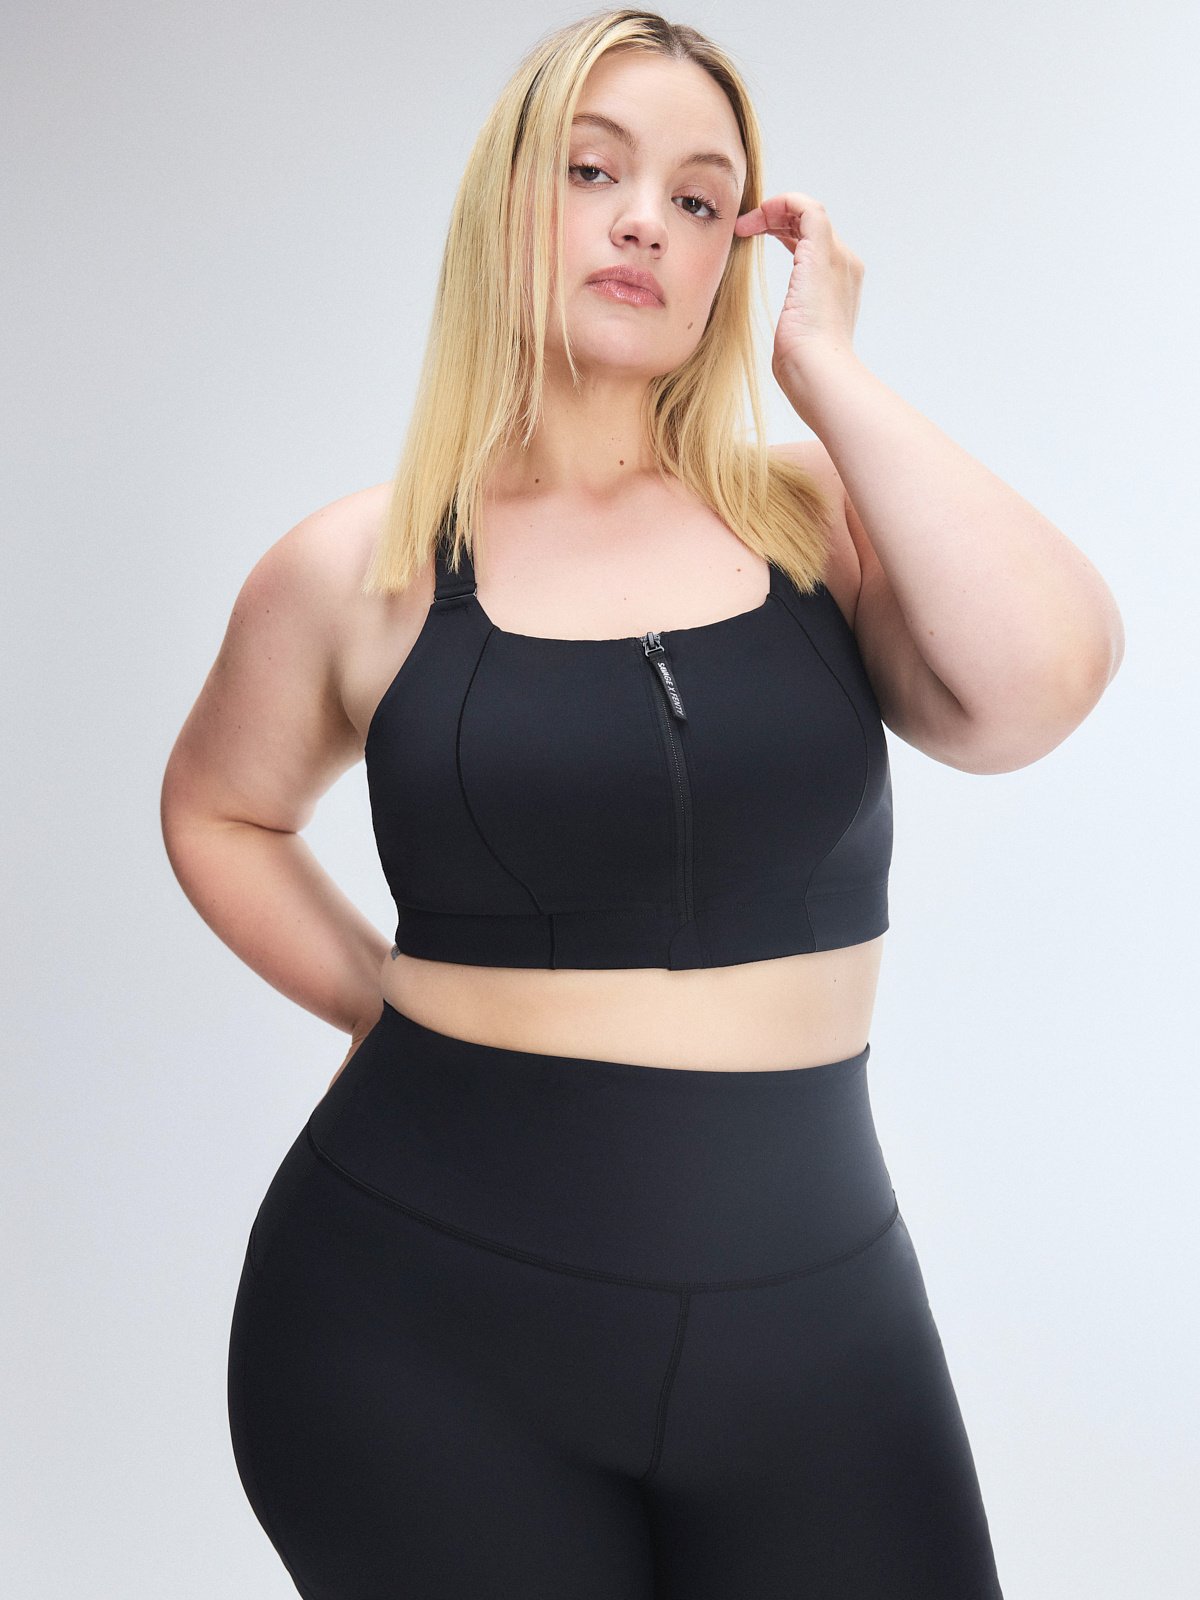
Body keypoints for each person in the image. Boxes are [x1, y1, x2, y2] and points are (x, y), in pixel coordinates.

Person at [160, 9, 1124, 1598]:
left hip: (821, 1334)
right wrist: (388, 1007)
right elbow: (220, 814)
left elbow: (1039, 686)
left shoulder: (815, 513)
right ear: (505, 203)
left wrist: (823, 370)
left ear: (735, 254)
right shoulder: (359, 568)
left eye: (697, 198)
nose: (642, 222)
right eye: (592, 169)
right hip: (418, 1332)